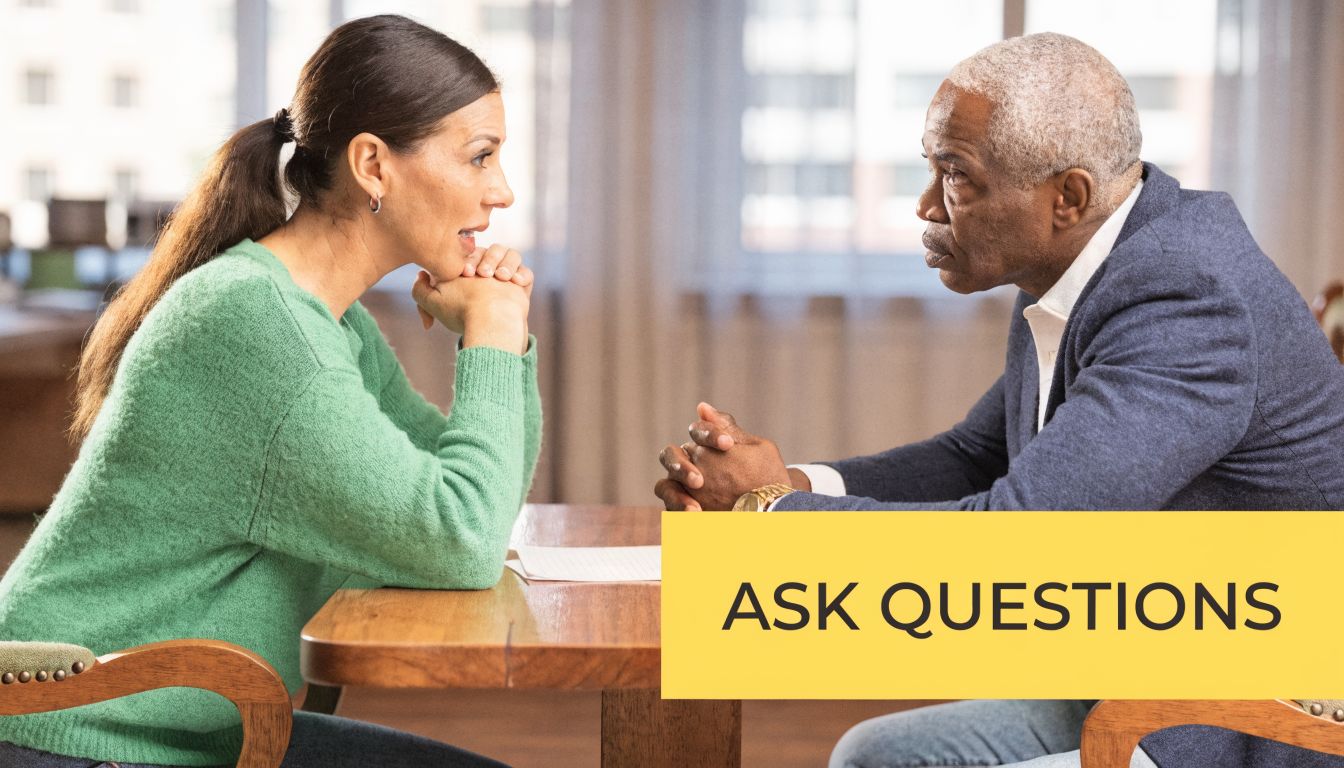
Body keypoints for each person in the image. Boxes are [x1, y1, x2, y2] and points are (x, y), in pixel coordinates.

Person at [654, 33, 1344, 768]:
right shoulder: (1085, 265)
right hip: (1143, 672)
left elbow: (1022, 538)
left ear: (1067, 197)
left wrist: (767, 513)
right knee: (875, 756)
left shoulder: (1185, 299)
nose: (925, 205)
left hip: (1250, 719)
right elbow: (977, 456)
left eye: (955, 176)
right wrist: (794, 483)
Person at [0, 15, 539, 768]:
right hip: (72, 732)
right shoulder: (256, 327)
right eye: (480, 157)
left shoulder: (328, 323)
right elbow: (462, 540)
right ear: (374, 166)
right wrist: (492, 333)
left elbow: (482, 502)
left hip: (183, 729)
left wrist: (502, 334)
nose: (503, 192)